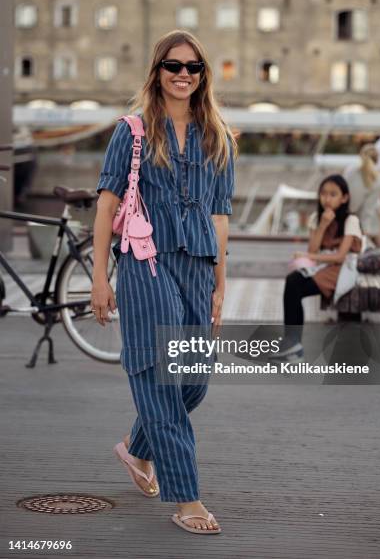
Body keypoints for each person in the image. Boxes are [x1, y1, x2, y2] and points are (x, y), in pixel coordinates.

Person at [91, 30, 237, 534]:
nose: (183, 74)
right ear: (157, 71)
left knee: (192, 381)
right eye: (173, 65)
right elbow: (107, 204)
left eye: (193, 67)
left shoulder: (218, 134)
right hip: (144, 262)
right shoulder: (131, 132)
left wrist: (220, 284)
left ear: (203, 76)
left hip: (198, 265)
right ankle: (186, 497)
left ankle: (136, 449)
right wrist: (99, 278)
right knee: (161, 373)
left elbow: (220, 218)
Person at [276, 174, 363, 360]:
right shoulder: (317, 218)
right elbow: (313, 249)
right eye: (324, 194)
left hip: (342, 269)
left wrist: (308, 256)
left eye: (333, 194)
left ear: (344, 198)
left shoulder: (351, 220)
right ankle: (292, 342)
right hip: (323, 266)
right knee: (293, 282)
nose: (327, 199)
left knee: (295, 285)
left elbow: (340, 256)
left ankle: (293, 344)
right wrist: (323, 225)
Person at [343, 144, 380, 246]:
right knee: (378, 212)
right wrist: (364, 234)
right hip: (355, 215)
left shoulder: (350, 170)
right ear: (377, 159)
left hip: (344, 212)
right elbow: (367, 211)